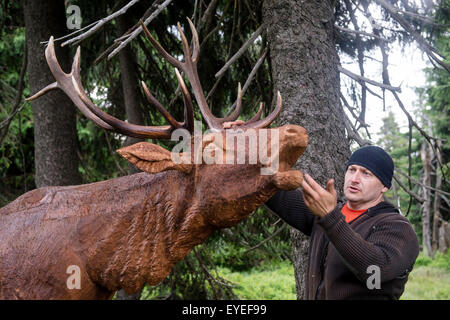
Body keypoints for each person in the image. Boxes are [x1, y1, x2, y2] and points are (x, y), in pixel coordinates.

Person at [265, 145, 419, 300]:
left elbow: (375, 270)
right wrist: (246, 148)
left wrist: (330, 217)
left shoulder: (398, 227)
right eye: (352, 170)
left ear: (384, 186)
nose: (354, 179)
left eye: (366, 174)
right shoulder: (326, 212)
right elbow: (268, 189)